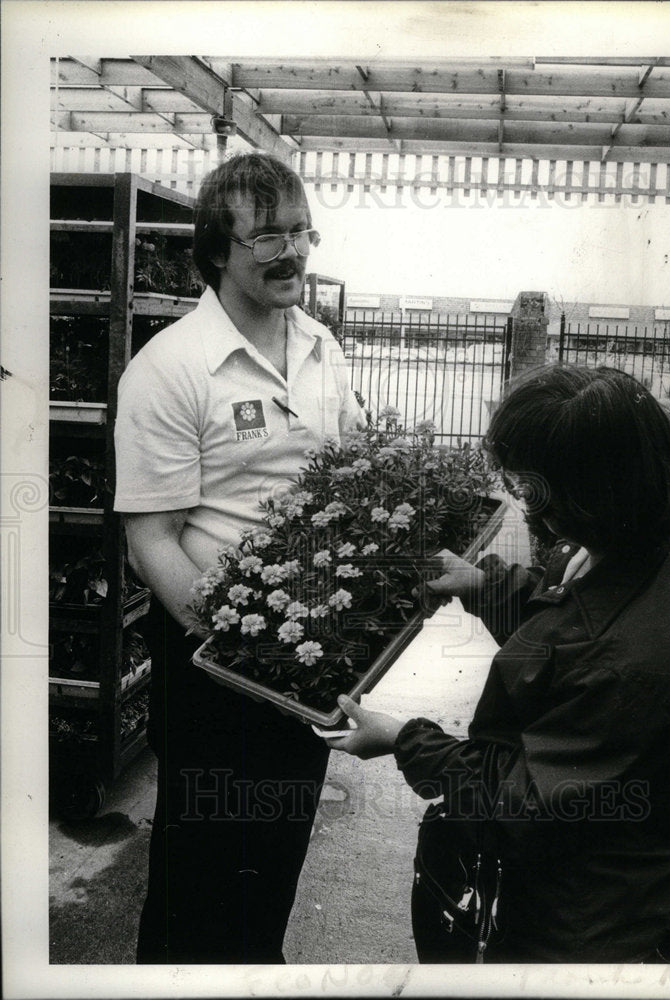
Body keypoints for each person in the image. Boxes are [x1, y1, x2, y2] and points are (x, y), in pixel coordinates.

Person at [323, 365, 670, 963]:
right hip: (593, 880)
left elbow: (518, 802)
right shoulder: (651, 533)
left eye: (530, 487)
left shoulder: (631, 666)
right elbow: (572, 616)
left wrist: (402, 739)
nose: (525, 503)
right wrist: (481, 585)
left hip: (569, 920)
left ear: (586, 496)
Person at [113, 152, 364, 963]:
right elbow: (151, 537)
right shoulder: (173, 367)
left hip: (306, 657)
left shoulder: (323, 348)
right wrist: (245, 652)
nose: (292, 252)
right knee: (202, 873)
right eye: (268, 238)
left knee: (276, 858)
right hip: (213, 663)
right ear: (218, 248)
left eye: (302, 233)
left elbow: (352, 480)